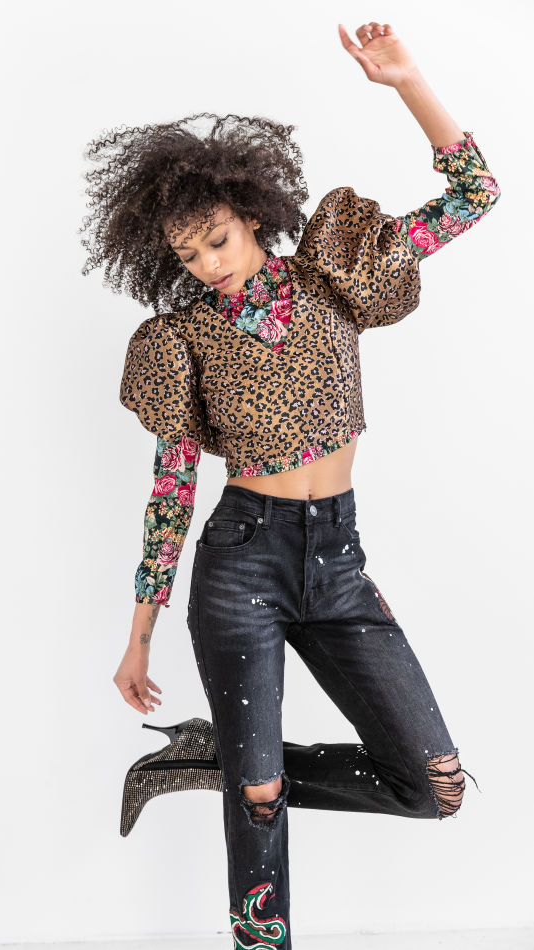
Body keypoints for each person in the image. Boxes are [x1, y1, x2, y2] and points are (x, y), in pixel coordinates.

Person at [80, 21, 500, 949]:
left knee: (432, 786)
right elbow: (170, 493)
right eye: (189, 256)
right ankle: (251, 837)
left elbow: (475, 194)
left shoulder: (336, 278)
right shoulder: (180, 342)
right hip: (241, 564)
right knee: (261, 797)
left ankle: (215, 762)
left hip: (338, 564)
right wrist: (138, 637)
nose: (209, 264)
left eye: (218, 240)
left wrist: (406, 82)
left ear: (250, 215)